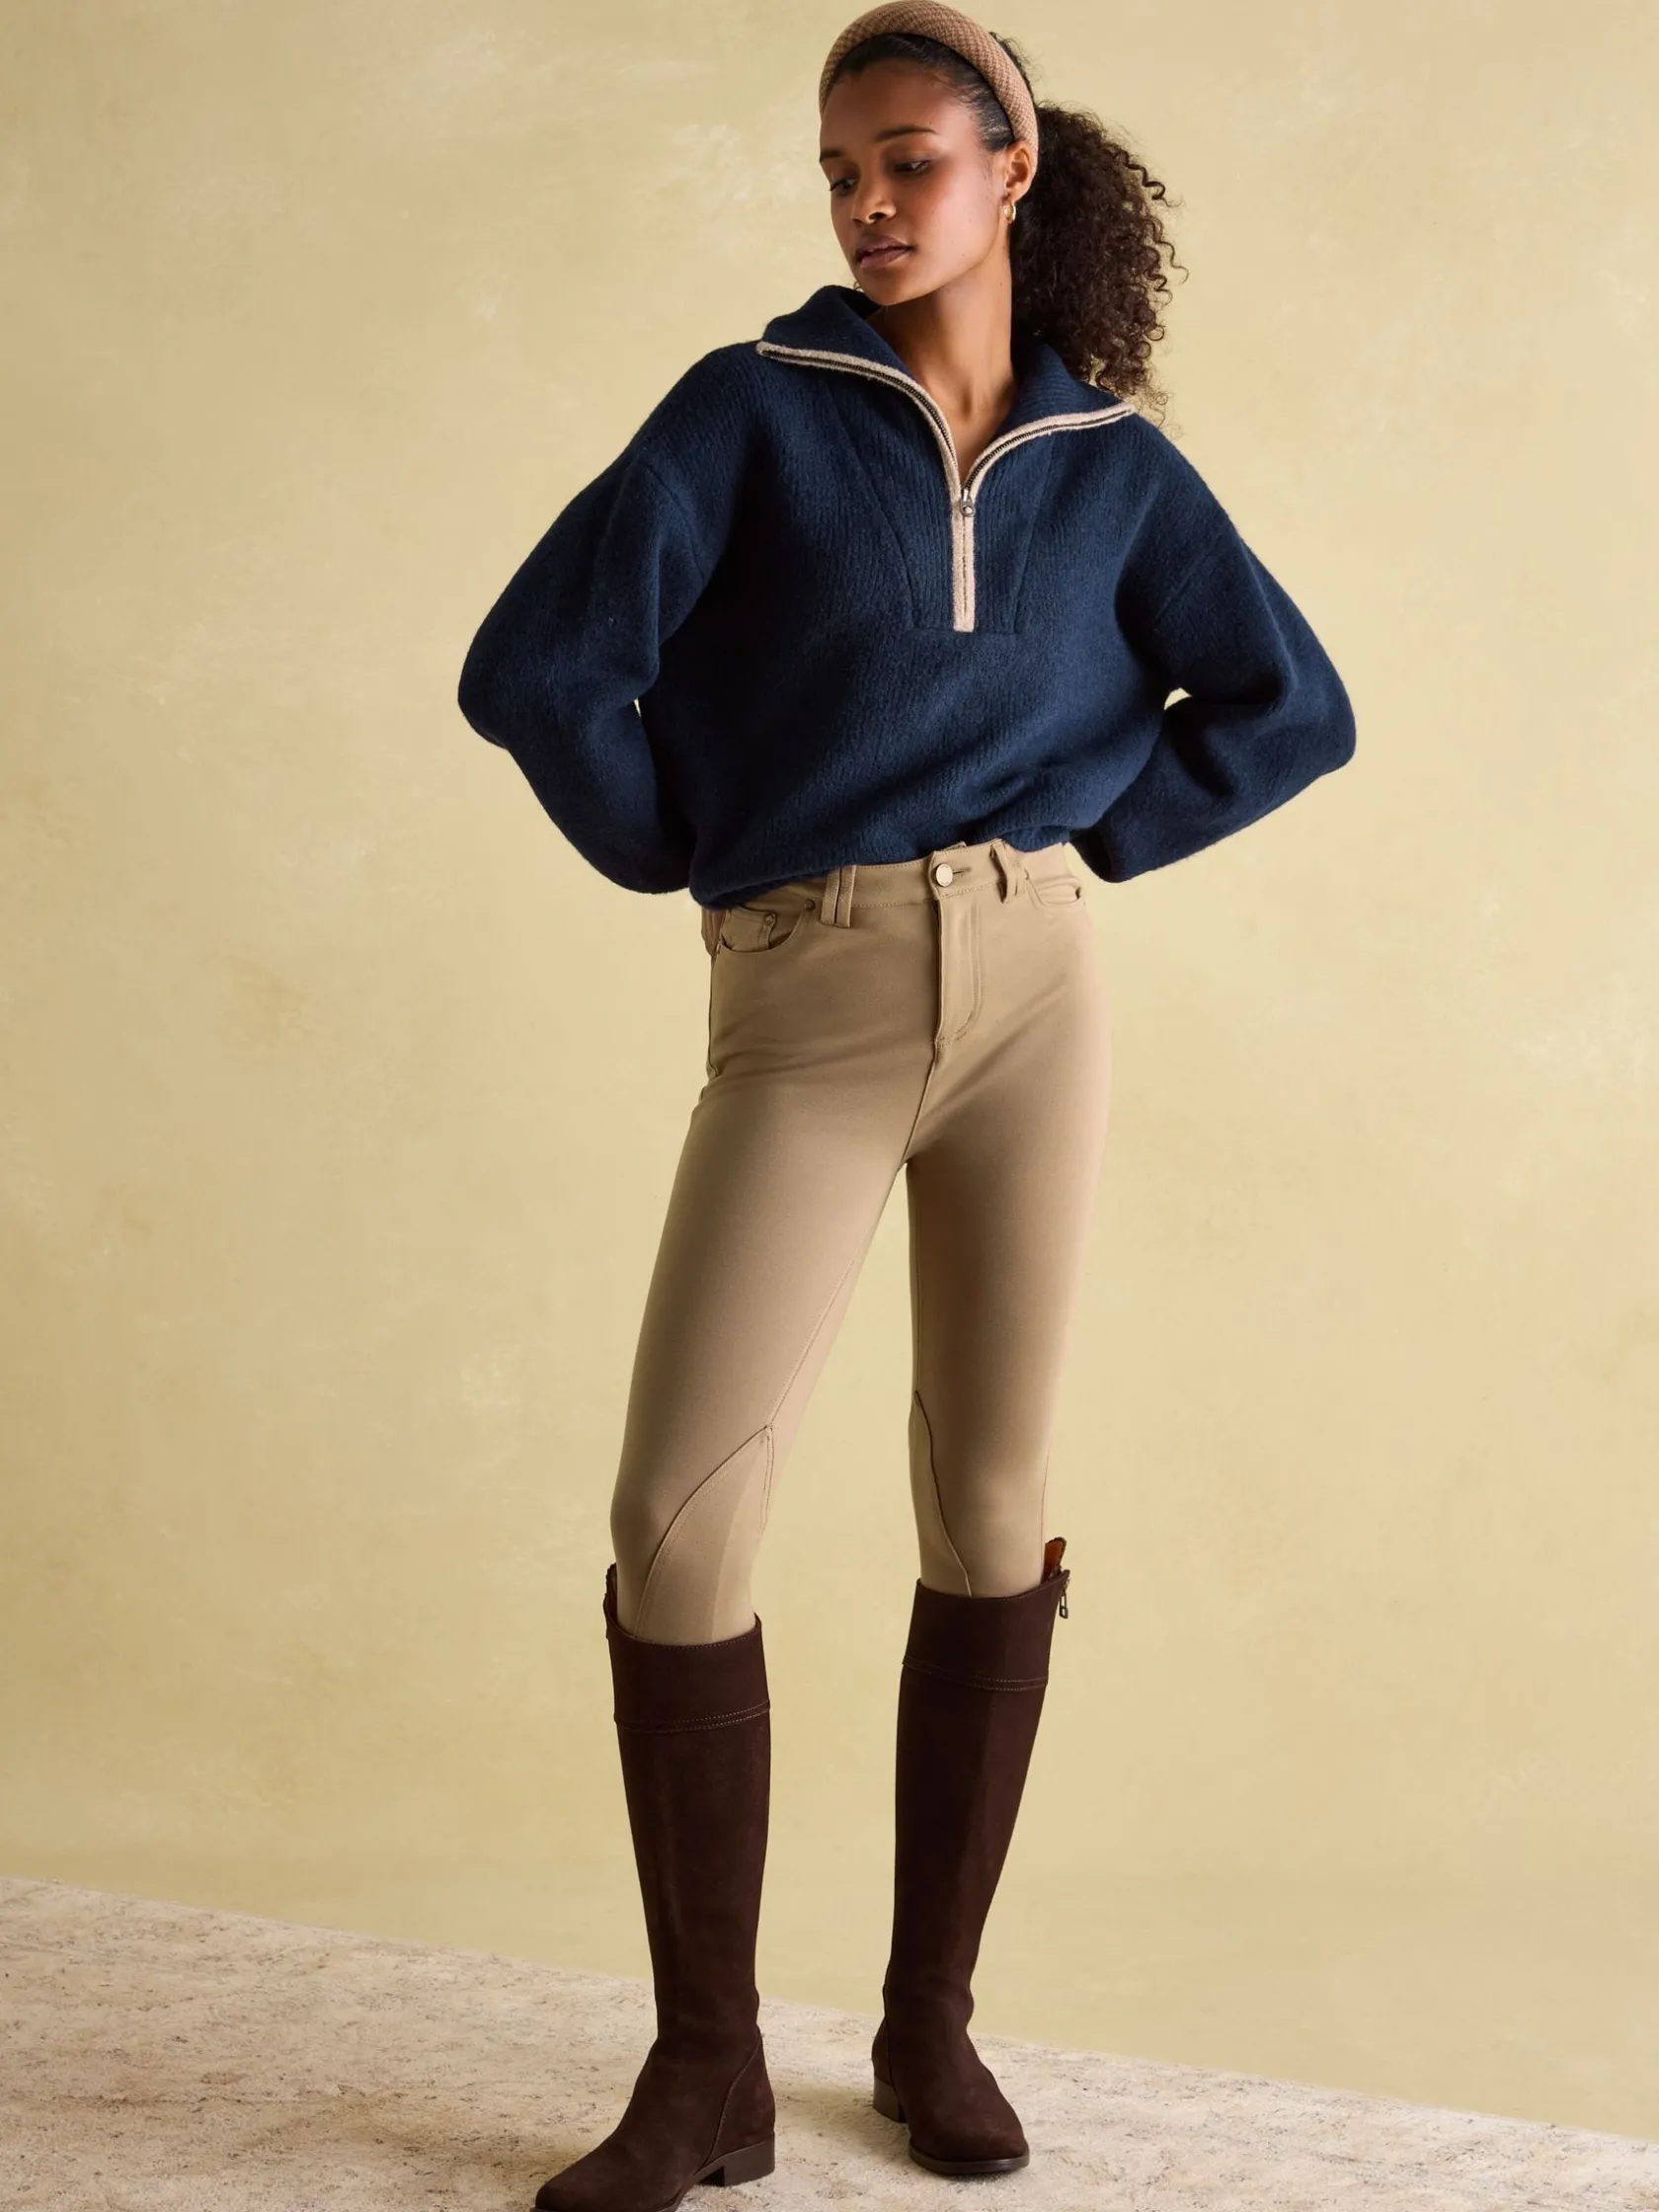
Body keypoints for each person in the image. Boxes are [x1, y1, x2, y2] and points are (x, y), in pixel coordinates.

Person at [456, 5, 1356, 2204]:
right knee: (680, 1518)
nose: (868, 203)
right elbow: (538, 668)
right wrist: (696, 853)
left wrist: (1095, 828)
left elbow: (1290, 704)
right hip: (814, 994)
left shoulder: (1112, 467)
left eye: (910, 164)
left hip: (1039, 991)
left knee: (993, 1501)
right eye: (841, 170)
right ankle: (707, 2071)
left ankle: (927, 2024)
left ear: (1011, 169)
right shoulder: (752, 410)